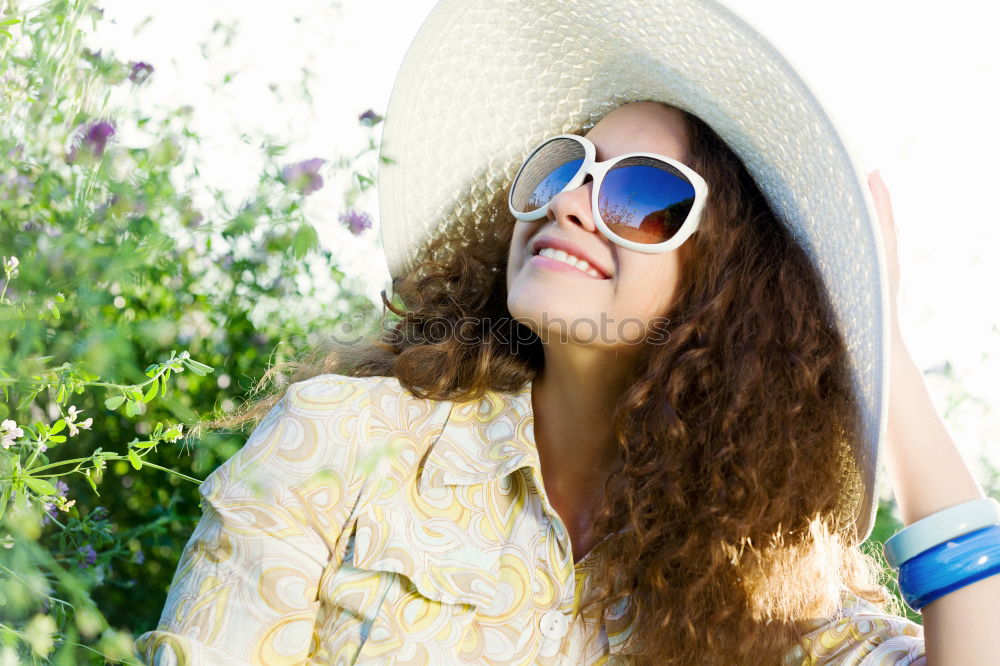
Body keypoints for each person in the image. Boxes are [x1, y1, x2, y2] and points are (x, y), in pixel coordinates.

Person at [136, 1, 1000, 664]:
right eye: (565, 166)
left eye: (642, 196)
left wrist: (882, 346)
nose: (570, 201)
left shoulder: (768, 586)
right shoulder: (343, 439)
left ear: (733, 290)